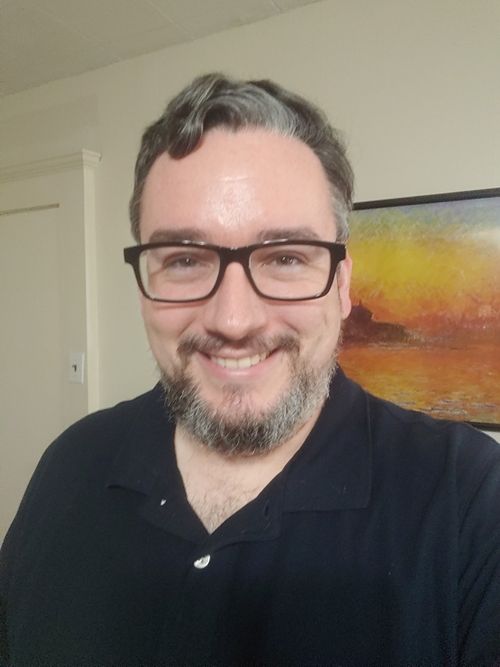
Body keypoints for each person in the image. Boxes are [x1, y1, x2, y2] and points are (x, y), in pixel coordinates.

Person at [1, 73, 499, 667]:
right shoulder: (71, 464)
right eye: (184, 259)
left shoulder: (471, 500)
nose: (233, 320)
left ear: (342, 287)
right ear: (143, 285)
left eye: (285, 257)